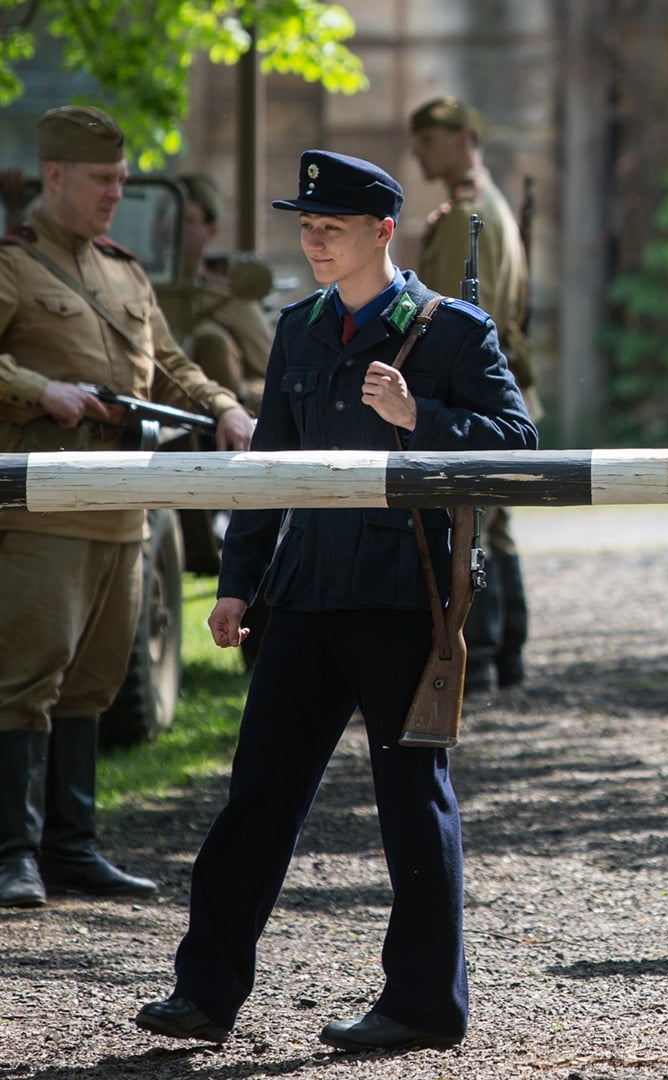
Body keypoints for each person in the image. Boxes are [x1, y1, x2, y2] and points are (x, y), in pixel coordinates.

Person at [134, 150, 536, 1051]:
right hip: (306, 597)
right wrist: (239, 580)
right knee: (257, 798)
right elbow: (270, 467)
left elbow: (522, 444)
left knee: (410, 803)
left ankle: (425, 1005)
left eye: (333, 229)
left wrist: (421, 419)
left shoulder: (455, 331)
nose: (314, 243)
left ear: (382, 232)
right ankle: (205, 993)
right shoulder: (300, 329)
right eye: (307, 228)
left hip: (403, 600)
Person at [0, 107, 253, 910]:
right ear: (56, 177)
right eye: (104, 181)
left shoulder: (124, 271)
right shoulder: (13, 264)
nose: (117, 194)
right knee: (23, 681)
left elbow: (172, 363)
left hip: (126, 510)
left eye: (120, 179)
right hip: (44, 511)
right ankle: (13, 853)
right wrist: (39, 389)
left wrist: (225, 408)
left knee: (95, 685)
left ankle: (72, 848)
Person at [409, 95, 536, 692]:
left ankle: (480, 658)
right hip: (497, 378)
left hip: (472, 387)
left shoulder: (467, 215)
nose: (418, 152)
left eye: (428, 140)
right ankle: (504, 654)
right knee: (493, 522)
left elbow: (447, 317)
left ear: (463, 138)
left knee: (471, 523)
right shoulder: (486, 204)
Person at [171, 173, 274, 411]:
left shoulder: (230, 298)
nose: (169, 225)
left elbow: (272, 379)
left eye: (185, 219)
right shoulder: (131, 282)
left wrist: (234, 397)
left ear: (210, 231)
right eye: (164, 214)